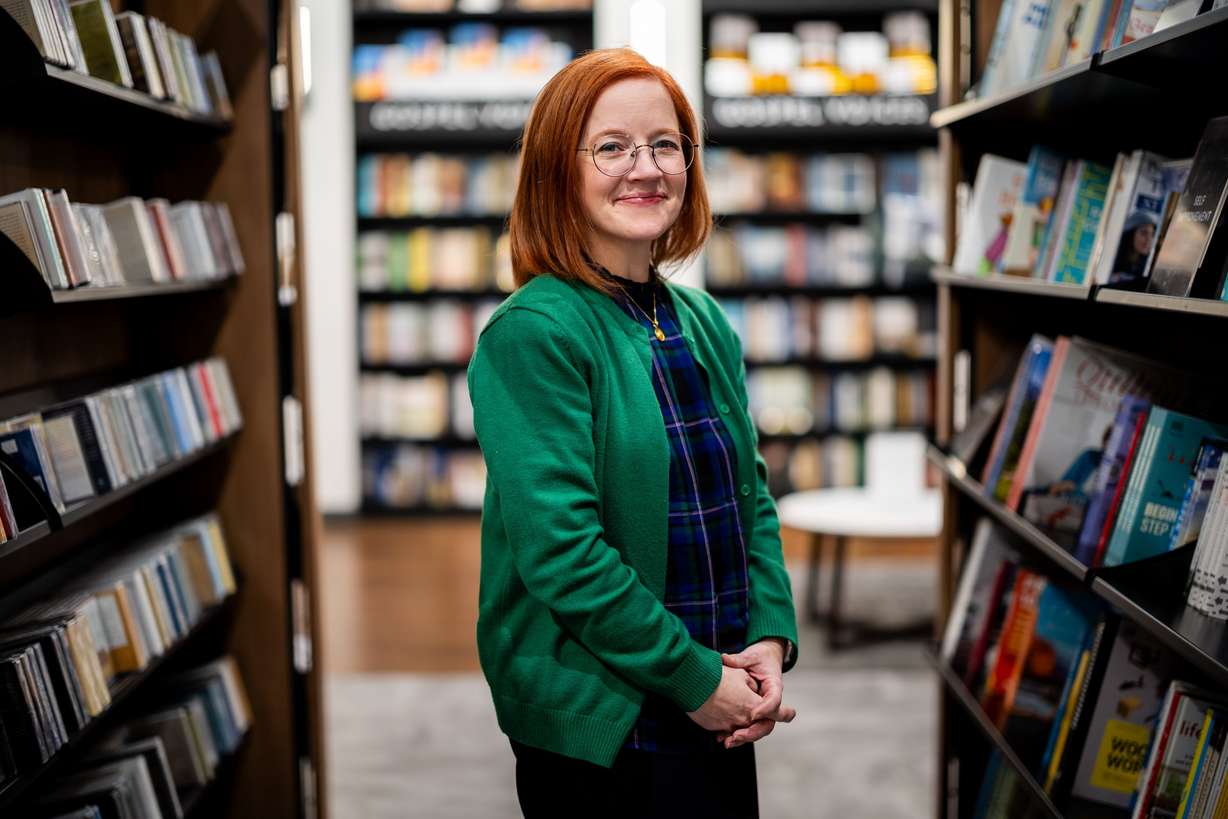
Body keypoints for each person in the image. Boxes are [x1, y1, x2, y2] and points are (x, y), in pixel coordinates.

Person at [466, 48, 799, 819]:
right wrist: (695, 680)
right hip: (611, 727)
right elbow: (564, 556)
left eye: (666, 144)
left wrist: (769, 637)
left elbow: (752, 497)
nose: (644, 168)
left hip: (717, 694)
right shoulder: (534, 333)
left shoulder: (702, 321)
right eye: (611, 146)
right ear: (559, 170)